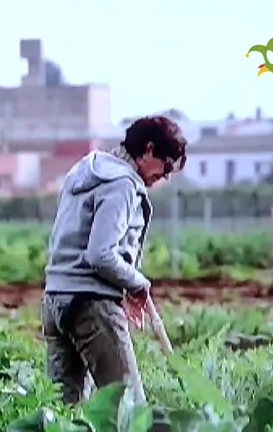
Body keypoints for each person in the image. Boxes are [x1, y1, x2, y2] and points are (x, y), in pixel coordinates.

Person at [40, 116, 188, 405]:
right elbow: (101, 255)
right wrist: (137, 282)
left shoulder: (84, 169)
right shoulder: (122, 184)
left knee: (63, 411)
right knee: (128, 409)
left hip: (55, 300)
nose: (166, 176)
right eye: (167, 165)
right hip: (91, 305)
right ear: (148, 149)